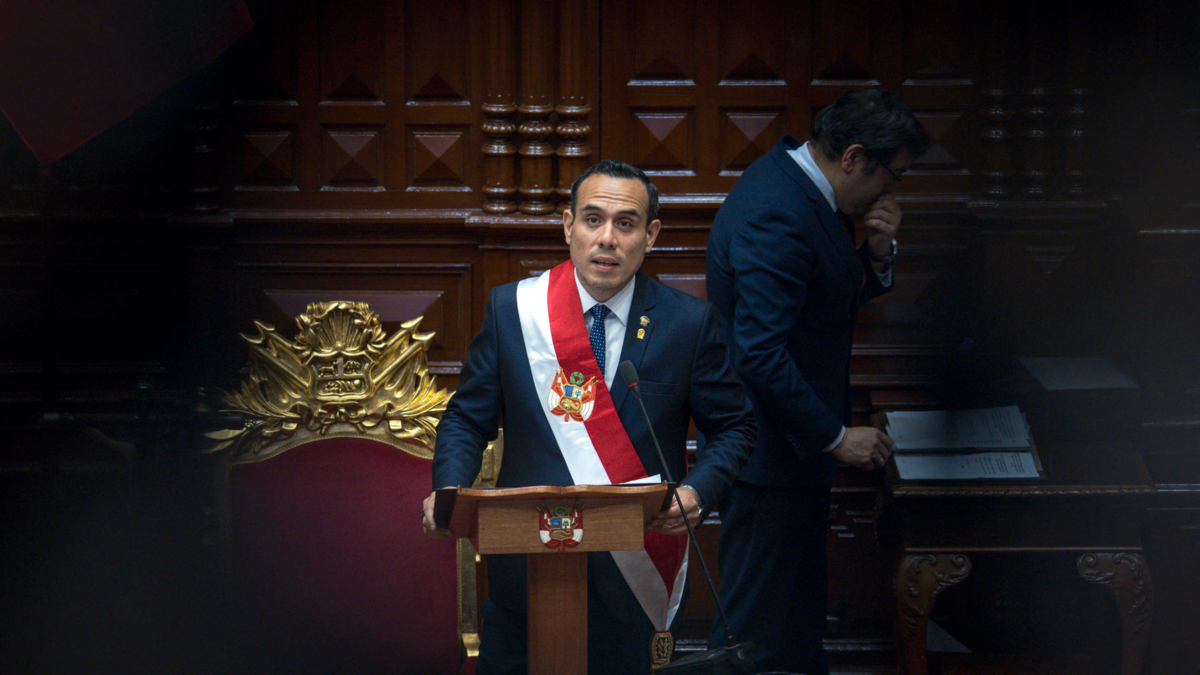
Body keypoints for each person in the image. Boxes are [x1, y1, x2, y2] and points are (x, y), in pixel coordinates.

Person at [422, 160, 757, 674]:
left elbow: (734, 426)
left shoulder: (687, 324)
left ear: (651, 235)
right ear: (568, 226)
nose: (607, 238)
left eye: (626, 224)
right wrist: (448, 489)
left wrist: (698, 491)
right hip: (525, 572)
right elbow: (467, 419)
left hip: (635, 574)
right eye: (593, 219)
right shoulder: (513, 311)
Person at [705, 89, 930, 675]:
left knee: (792, 635)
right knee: (751, 642)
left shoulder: (800, 188)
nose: (892, 191)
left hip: (789, 458)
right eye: (892, 175)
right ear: (854, 157)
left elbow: (819, 298)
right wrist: (835, 437)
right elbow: (760, 354)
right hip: (768, 460)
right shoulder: (779, 210)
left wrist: (876, 254)